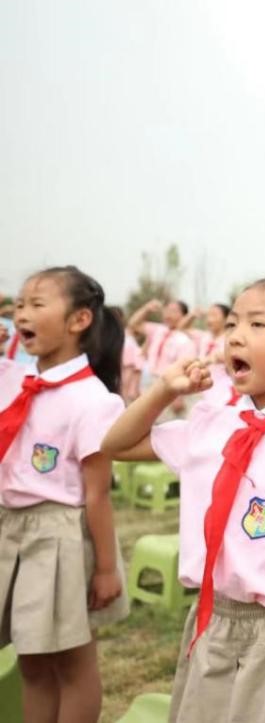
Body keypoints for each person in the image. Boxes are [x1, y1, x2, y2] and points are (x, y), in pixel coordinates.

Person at [101, 277, 265, 722]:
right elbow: (117, 445)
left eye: (257, 324)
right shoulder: (213, 426)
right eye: (231, 325)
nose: (236, 337)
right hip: (214, 622)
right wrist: (166, 390)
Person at [0, 266, 129, 723]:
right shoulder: (11, 378)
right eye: (19, 305)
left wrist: (108, 569)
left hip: (60, 534)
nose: (22, 314)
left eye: (37, 304)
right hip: (10, 529)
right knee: (31, 659)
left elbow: (97, 495)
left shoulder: (93, 400)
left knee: (72, 662)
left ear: (79, 321)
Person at [127, 298, 198, 419]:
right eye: (167, 310)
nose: (169, 314)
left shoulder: (186, 340)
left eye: (174, 311)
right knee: (147, 421)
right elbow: (134, 324)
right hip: (150, 382)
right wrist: (146, 309)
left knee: (165, 423)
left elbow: (185, 369)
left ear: (184, 315)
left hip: (169, 386)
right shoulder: (158, 330)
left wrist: (179, 396)